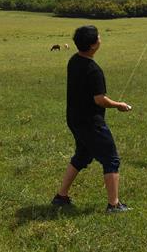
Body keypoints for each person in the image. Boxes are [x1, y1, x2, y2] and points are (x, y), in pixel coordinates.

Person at [52, 25, 133, 213]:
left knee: (82, 155)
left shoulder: (74, 60)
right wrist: (118, 105)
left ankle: (61, 196)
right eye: (98, 37)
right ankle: (114, 205)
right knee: (111, 159)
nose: (100, 38)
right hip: (90, 122)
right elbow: (100, 100)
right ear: (93, 45)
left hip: (74, 119)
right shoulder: (93, 70)